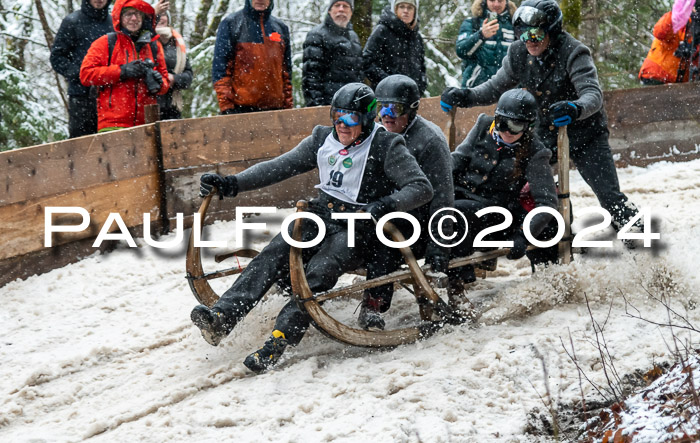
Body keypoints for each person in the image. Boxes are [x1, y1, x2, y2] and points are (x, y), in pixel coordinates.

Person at [190, 83, 433, 373]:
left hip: (359, 225)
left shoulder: (386, 145)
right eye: (337, 116)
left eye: (351, 119)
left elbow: (421, 187)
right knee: (275, 252)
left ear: (367, 119)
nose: (342, 125)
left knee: (320, 269)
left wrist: (387, 204)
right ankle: (222, 318)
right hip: (321, 214)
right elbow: (280, 166)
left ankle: (281, 337)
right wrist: (232, 183)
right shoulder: (322, 138)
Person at [441, 0, 642, 234]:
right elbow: (495, 87)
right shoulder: (518, 53)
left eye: (535, 35)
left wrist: (575, 108)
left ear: (552, 31)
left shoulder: (574, 52)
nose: (529, 41)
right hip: (544, 132)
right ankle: (556, 232)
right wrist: (466, 96)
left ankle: (638, 234)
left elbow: (592, 94)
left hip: (584, 134)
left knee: (609, 197)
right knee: (530, 189)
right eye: (523, 35)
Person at [356, 74, 454, 330]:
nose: (386, 115)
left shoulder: (430, 141)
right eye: (381, 108)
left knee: (386, 235)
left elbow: (442, 199)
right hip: (383, 207)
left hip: (418, 219)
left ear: (411, 110)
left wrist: (438, 251)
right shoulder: (374, 134)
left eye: (394, 108)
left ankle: (374, 303)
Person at [448, 89, 558, 305]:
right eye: (502, 123)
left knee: (458, 213)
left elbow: (547, 203)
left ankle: (457, 287)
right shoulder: (482, 126)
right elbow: (457, 160)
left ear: (527, 127)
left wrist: (523, 235)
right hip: (463, 196)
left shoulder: (536, 151)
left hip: (497, 213)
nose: (507, 131)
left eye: (515, 126)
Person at [80, 0, 170, 132]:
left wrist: (158, 83)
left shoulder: (153, 46)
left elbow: (165, 83)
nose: (134, 18)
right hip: (112, 123)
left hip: (147, 123)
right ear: (119, 18)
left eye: (138, 14)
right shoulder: (105, 43)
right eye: (128, 14)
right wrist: (122, 71)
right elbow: (86, 75)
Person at [212, 0, 293, 114]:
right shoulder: (232, 24)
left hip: (276, 110)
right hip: (241, 109)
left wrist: (288, 106)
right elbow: (221, 70)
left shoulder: (280, 28)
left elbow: (286, 73)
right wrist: (226, 107)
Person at [50, 0, 115, 138]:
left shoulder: (114, 22)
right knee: (81, 147)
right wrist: (80, 73)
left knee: (111, 144)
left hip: (112, 95)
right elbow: (57, 57)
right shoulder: (72, 22)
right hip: (81, 96)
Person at [302, 0, 363, 106]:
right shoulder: (317, 35)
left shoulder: (354, 37)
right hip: (327, 105)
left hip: (350, 106)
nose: (341, 9)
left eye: (345, 6)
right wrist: (317, 106)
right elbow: (311, 77)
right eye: (337, 5)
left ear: (351, 12)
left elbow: (358, 75)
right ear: (330, 10)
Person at [362, 0, 426, 95]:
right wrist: (388, 82)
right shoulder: (382, 30)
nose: (406, 10)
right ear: (395, 9)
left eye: (410, 7)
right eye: (401, 6)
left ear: (415, 11)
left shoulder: (417, 37)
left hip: (411, 98)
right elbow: (367, 61)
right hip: (385, 96)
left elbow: (421, 67)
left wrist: (420, 85)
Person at [456, 0, 517, 87]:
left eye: (500, 0)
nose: (496, 4)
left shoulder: (515, 25)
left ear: (506, 1)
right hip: (475, 89)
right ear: (485, 0)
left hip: (508, 89)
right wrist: (481, 35)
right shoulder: (472, 23)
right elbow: (461, 51)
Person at [639, 0, 700, 85]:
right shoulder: (677, 19)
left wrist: (693, 49)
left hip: (680, 85)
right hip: (658, 76)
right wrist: (681, 11)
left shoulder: (697, 26)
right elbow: (660, 32)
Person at [155, 11, 193, 120]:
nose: (160, 17)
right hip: (151, 104)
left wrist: (175, 79)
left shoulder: (177, 43)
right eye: (157, 14)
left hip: (172, 105)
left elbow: (189, 75)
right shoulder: (146, 41)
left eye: (163, 14)